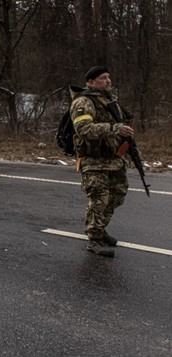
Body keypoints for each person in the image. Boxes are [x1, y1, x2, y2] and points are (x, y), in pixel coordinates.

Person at [70, 65, 133, 257]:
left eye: (108, 77)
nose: (108, 81)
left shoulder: (108, 101)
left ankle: (100, 228)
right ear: (90, 82)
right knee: (99, 200)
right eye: (103, 78)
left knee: (117, 196)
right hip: (94, 161)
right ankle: (94, 238)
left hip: (114, 159)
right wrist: (114, 129)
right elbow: (83, 129)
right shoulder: (83, 102)